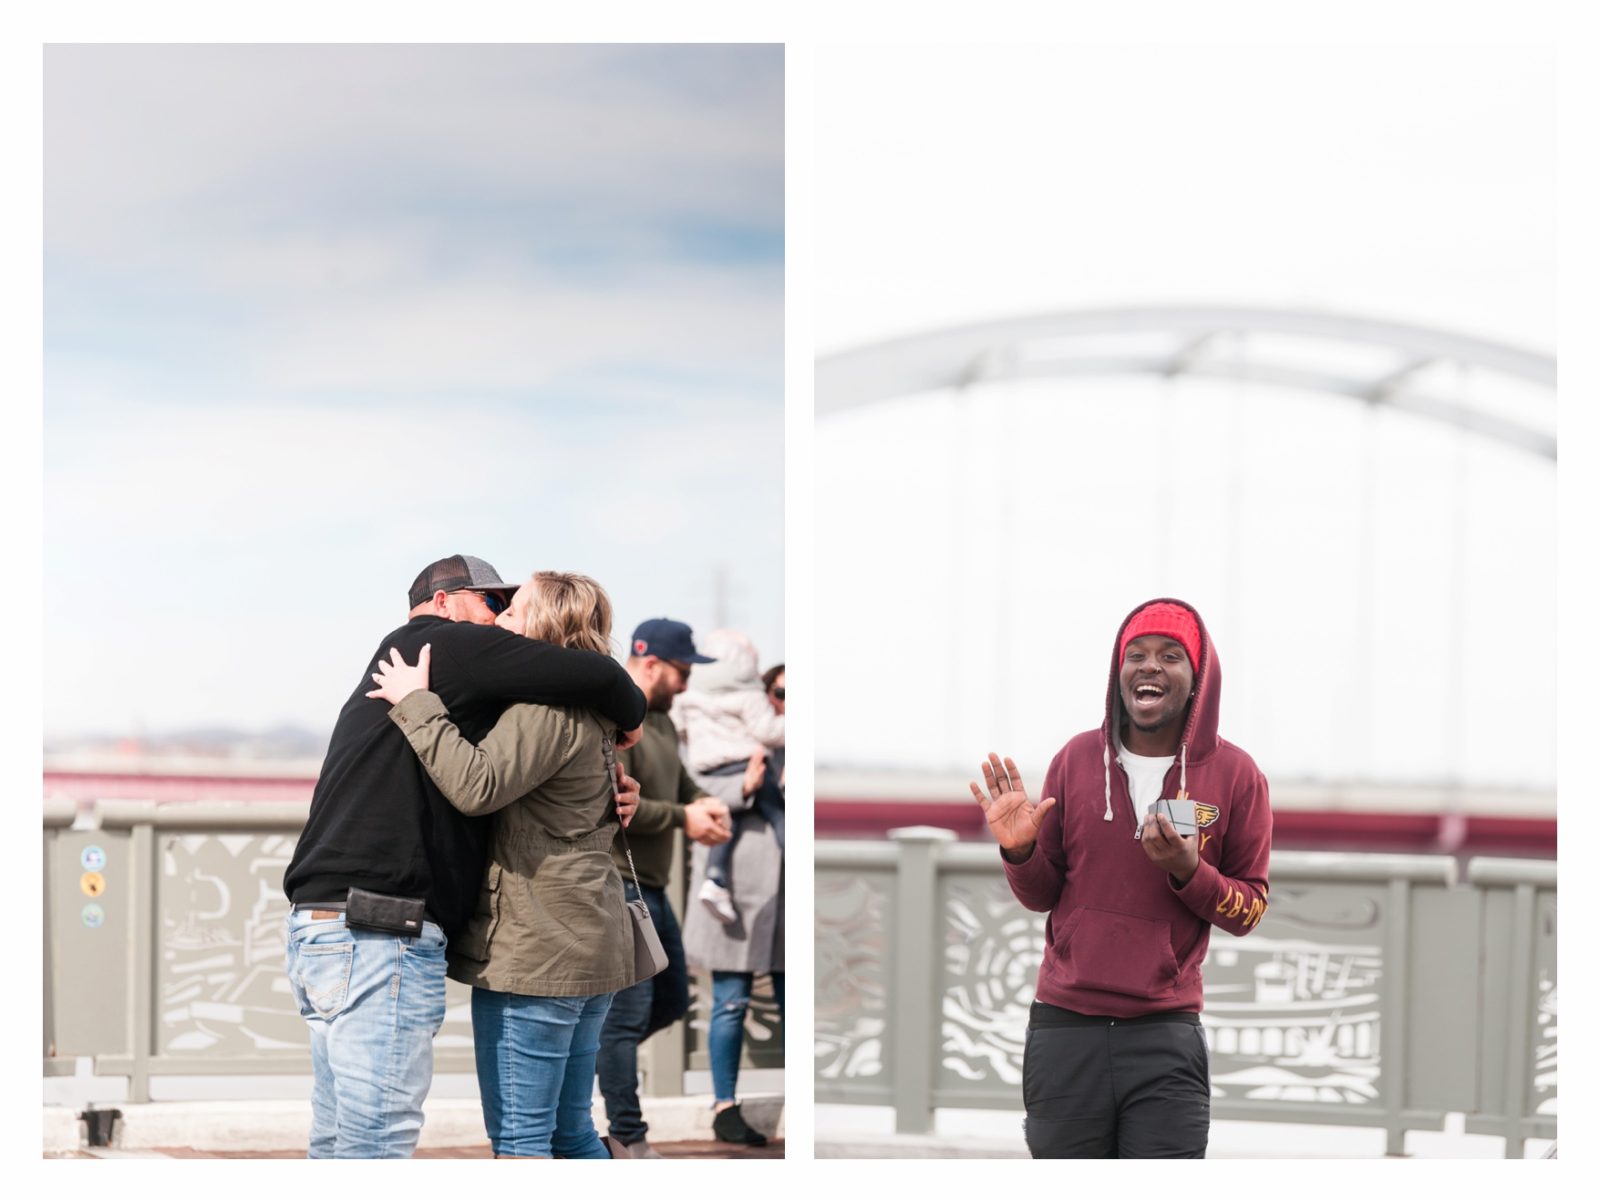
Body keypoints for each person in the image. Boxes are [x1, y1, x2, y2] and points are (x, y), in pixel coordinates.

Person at [281, 554, 646, 1159]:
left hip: (369, 924)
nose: (498, 619)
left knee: (355, 1134)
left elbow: (483, 785)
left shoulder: (518, 697)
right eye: (491, 602)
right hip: (386, 926)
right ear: (445, 601)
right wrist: (627, 716)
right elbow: (605, 684)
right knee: (553, 1131)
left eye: (512, 608)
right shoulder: (443, 645)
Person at [970, 598, 1270, 1159]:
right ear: (1118, 671)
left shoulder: (1238, 776)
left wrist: (1188, 870)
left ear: (1199, 679)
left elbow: (1248, 910)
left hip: (1166, 1034)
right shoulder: (1075, 760)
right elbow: (1042, 897)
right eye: (1136, 655)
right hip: (1065, 1029)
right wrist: (1021, 850)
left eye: (1170, 656)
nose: (1150, 665)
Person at [595, 618, 733, 1158]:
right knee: (625, 1019)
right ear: (651, 664)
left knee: (672, 1000)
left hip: (652, 887)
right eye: (682, 672)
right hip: (619, 880)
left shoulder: (666, 724)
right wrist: (685, 819)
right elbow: (617, 803)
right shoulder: (615, 716)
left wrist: (706, 802)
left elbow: (681, 784)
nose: (687, 684)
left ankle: (597, 1053)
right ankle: (629, 1135)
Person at [680, 631, 786, 1148]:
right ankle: (724, 1104)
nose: (785, 705)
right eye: (780, 693)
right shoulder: (726, 727)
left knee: (793, 1003)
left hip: (786, 895)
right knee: (730, 1001)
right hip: (735, 888)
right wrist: (745, 787)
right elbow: (692, 787)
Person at [673, 631, 785, 924]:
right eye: (781, 693)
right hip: (744, 763)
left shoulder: (689, 699)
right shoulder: (749, 698)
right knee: (780, 817)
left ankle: (715, 879)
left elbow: (680, 729)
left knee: (727, 817)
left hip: (709, 764)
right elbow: (768, 731)